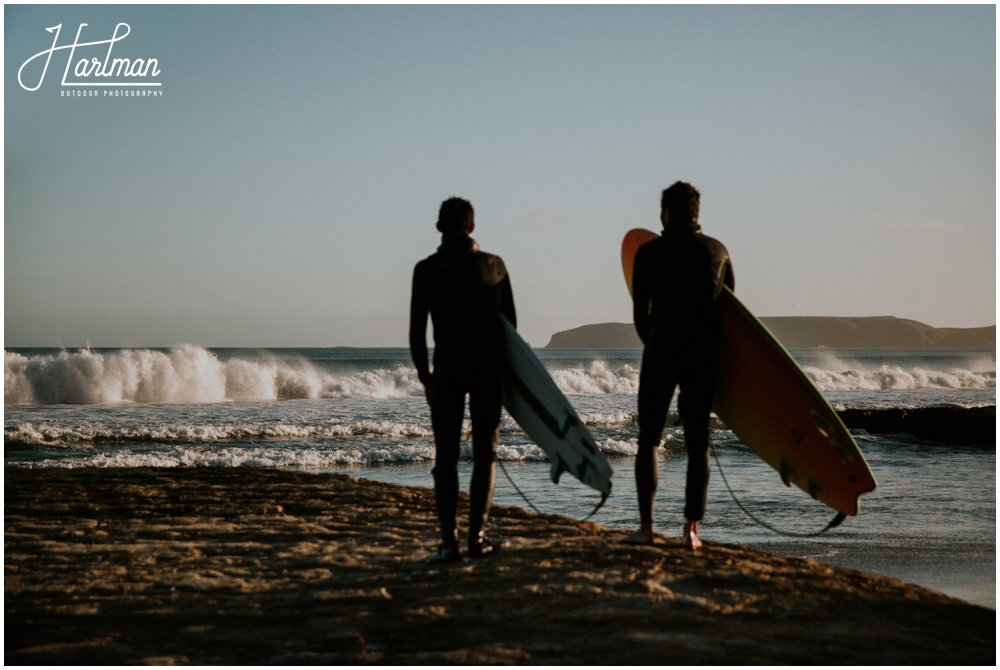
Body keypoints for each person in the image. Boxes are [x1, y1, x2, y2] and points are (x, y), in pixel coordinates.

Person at [625, 181, 734, 550]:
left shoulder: (649, 253)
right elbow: (732, 316)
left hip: (660, 351)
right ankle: (690, 533)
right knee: (698, 441)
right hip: (702, 355)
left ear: (666, 212)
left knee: (649, 441)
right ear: (696, 212)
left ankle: (645, 527)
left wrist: (656, 343)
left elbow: (641, 314)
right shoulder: (717, 251)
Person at [409, 197, 516, 563]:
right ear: (472, 227)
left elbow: (415, 333)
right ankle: (477, 538)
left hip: (448, 369)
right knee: (486, 454)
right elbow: (511, 331)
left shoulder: (426, 269)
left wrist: (427, 379)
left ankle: (448, 544)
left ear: (440, 227)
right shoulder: (494, 265)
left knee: (446, 457)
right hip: (488, 370)